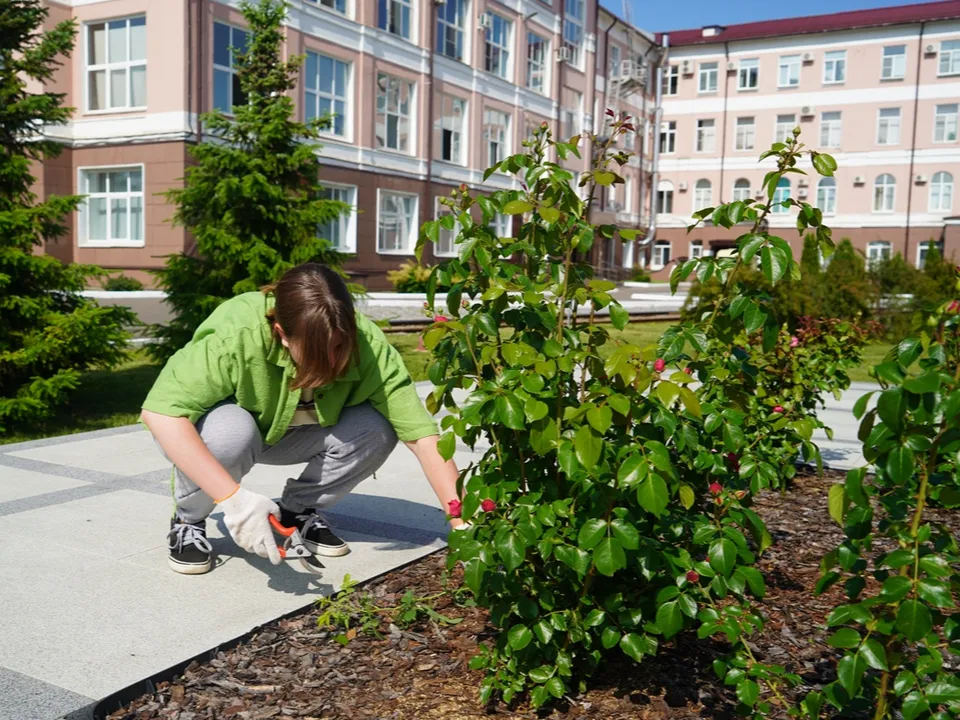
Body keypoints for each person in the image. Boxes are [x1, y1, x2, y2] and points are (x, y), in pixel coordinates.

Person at [141, 263, 462, 574]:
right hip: (235, 435)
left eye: (340, 346)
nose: (332, 362)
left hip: (298, 435)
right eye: (315, 352)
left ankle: (295, 512)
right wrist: (234, 499)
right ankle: (188, 520)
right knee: (232, 430)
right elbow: (161, 414)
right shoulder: (237, 332)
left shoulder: (369, 346)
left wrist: (463, 525)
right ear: (281, 333)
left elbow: (423, 437)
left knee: (376, 428)